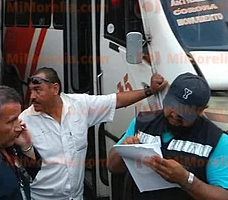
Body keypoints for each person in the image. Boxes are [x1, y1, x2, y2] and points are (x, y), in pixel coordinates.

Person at [18, 67, 168, 200]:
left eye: (37, 91)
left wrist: (149, 91)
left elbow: (116, 101)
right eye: (31, 91)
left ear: (55, 89)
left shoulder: (79, 105)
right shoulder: (24, 121)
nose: (31, 97)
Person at [107, 72, 228, 200]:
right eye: (173, 106)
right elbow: (112, 166)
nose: (175, 114)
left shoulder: (217, 141)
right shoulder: (142, 122)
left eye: (185, 112)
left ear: (201, 111)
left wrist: (186, 180)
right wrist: (124, 151)